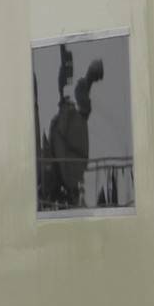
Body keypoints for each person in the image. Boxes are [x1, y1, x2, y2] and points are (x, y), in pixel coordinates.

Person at [45, 55, 104, 207]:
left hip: (73, 163)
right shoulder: (66, 118)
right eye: (96, 76)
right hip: (67, 167)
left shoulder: (76, 118)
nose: (96, 80)